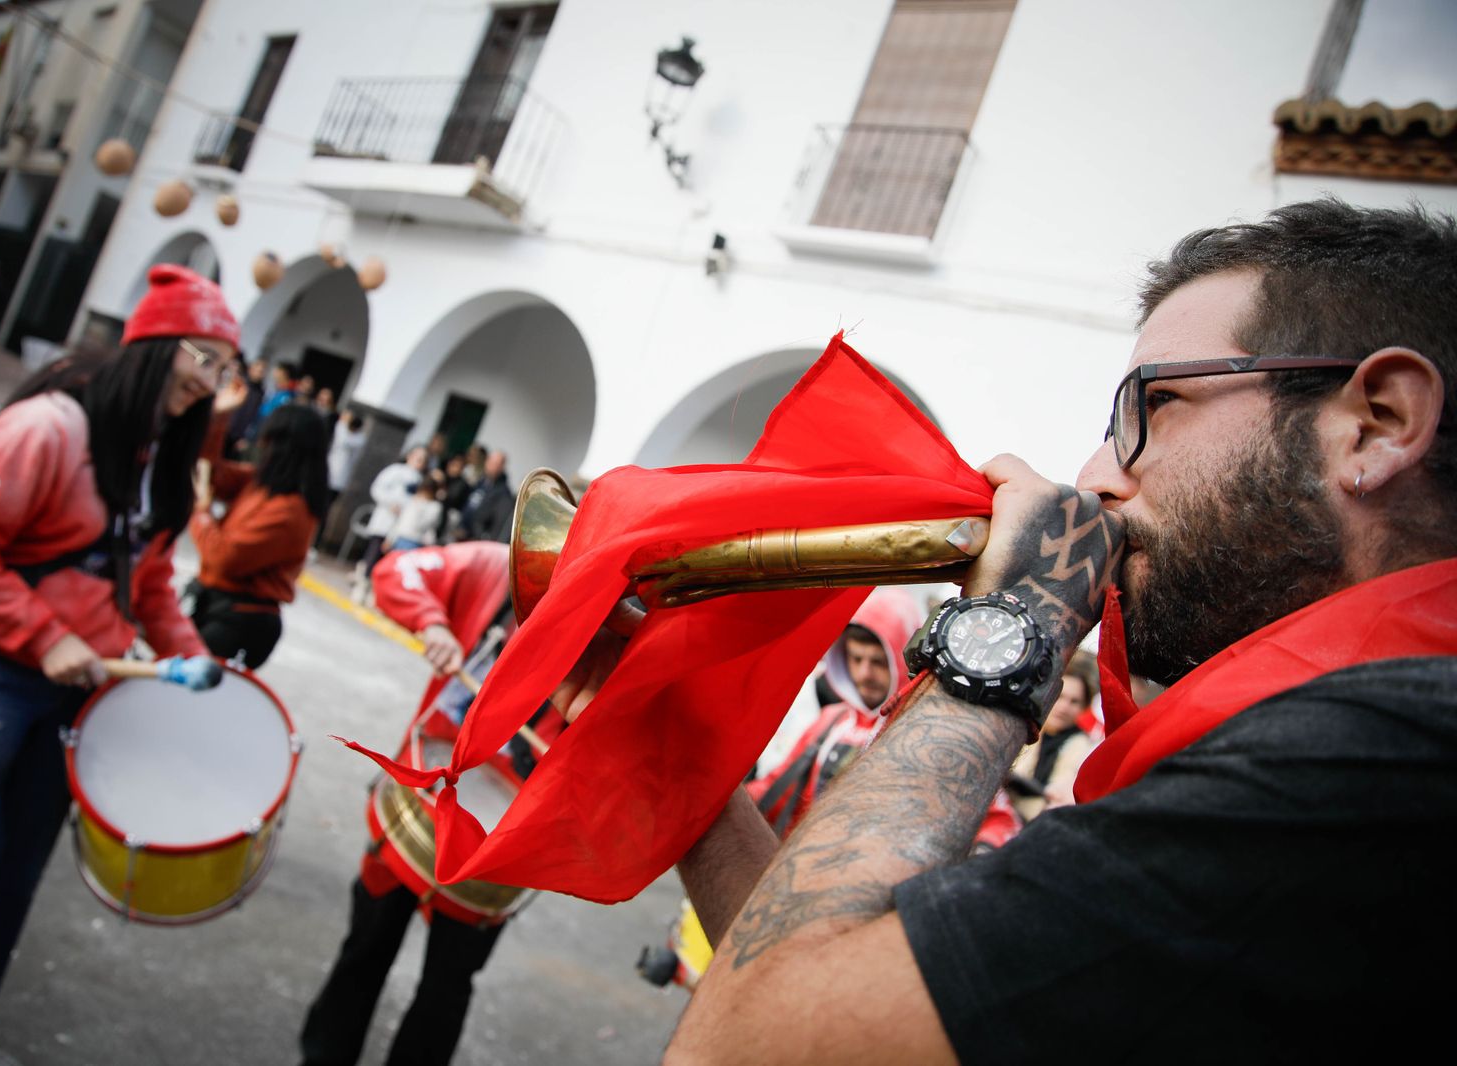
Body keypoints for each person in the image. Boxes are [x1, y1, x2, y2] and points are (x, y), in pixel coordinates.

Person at [555, 199, 1457, 1061]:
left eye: (1154, 406)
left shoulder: (1388, 758)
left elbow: (753, 1046)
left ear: (1376, 425)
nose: (1097, 475)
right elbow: (853, 1010)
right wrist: (672, 742)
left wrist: (1013, 622)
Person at [0, 262, 239, 1065]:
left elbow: (149, 583)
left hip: (73, 706)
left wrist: (194, 657)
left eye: (224, 366)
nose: (210, 381)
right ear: (154, 345)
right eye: (201, 356)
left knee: (7, 888)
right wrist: (43, 635)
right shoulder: (52, 428)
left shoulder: (155, 459)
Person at [300, 541, 550, 1066]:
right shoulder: (494, 565)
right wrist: (433, 622)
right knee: (365, 949)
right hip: (420, 797)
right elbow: (397, 568)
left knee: (446, 987)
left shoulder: (615, 629)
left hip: (500, 843)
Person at [749, 588, 920, 835]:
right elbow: (776, 788)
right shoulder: (833, 719)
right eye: (856, 658)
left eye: (878, 662)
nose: (865, 674)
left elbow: (989, 821)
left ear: (903, 659)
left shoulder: (921, 730)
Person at [187, 401, 330, 669]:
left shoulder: (290, 510)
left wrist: (201, 513)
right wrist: (219, 417)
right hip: (217, 605)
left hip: (239, 619)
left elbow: (225, 558)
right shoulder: (262, 483)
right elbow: (209, 472)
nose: (261, 446)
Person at [1006, 650, 1098, 820]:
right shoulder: (1018, 730)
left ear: (1084, 706)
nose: (1064, 707)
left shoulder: (1084, 749)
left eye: (1074, 701)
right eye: (1060, 697)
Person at [353, 446, 428, 602]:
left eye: (423, 460)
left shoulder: (421, 481)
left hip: (401, 527)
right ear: (409, 456)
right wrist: (390, 503)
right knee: (373, 553)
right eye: (417, 458)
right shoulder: (394, 471)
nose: (419, 462)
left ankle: (375, 590)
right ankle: (363, 585)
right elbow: (377, 489)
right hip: (384, 520)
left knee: (387, 560)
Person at [319, 411, 367, 547]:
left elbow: (343, 436)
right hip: (330, 476)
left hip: (335, 480)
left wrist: (343, 421)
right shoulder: (356, 438)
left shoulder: (355, 439)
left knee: (324, 511)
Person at [458, 449, 514, 543]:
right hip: (462, 532)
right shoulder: (481, 481)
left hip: (474, 540)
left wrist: (480, 535)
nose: (490, 466)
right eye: (490, 461)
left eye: (495, 463)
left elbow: (497, 522)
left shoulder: (503, 493)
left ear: (501, 467)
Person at [386, 475, 443, 552]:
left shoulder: (435, 507)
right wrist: (390, 538)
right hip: (399, 538)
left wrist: (419, 506)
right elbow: (401, 521)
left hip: (415, 542)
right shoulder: (412, 501)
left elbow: (422, 525)